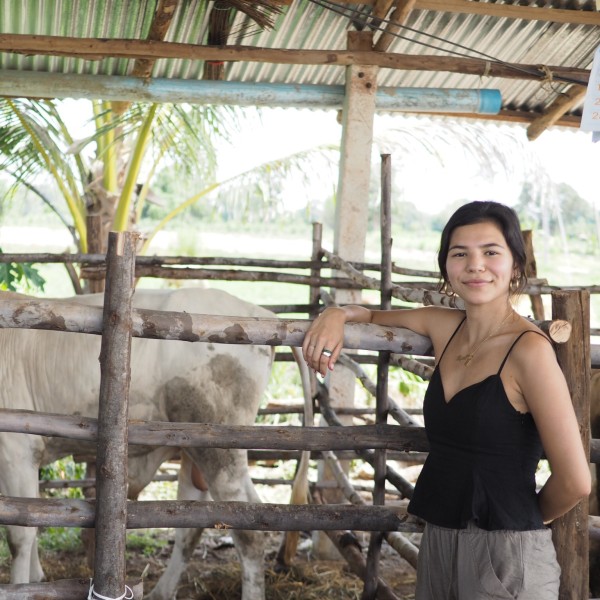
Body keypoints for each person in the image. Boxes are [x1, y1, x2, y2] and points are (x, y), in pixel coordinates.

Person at [302, 200, 591, 599]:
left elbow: (576, 480)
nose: (475, 265)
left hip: (508, 552)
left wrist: (512, 525)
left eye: (491, 252)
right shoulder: (444, 327)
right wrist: (334, 313)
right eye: (460, 254)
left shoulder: (529, 352)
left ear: (516, 268)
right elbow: (369, 315)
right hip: (440, 541)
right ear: (446, 268)